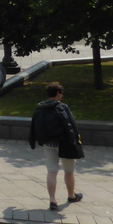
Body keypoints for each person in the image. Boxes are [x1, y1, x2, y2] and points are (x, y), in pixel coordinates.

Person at [29, 82, 84, 211]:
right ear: (58, 93)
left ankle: (52, 200)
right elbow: (71, 125)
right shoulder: (62, 107)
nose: (62, 96)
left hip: (48, 143)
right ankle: (71, 195)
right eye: (62, 93)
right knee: (69, 171)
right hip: (64, 144)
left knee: (52, 171)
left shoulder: (40, 107)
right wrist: (75, 142)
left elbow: (33, 125)